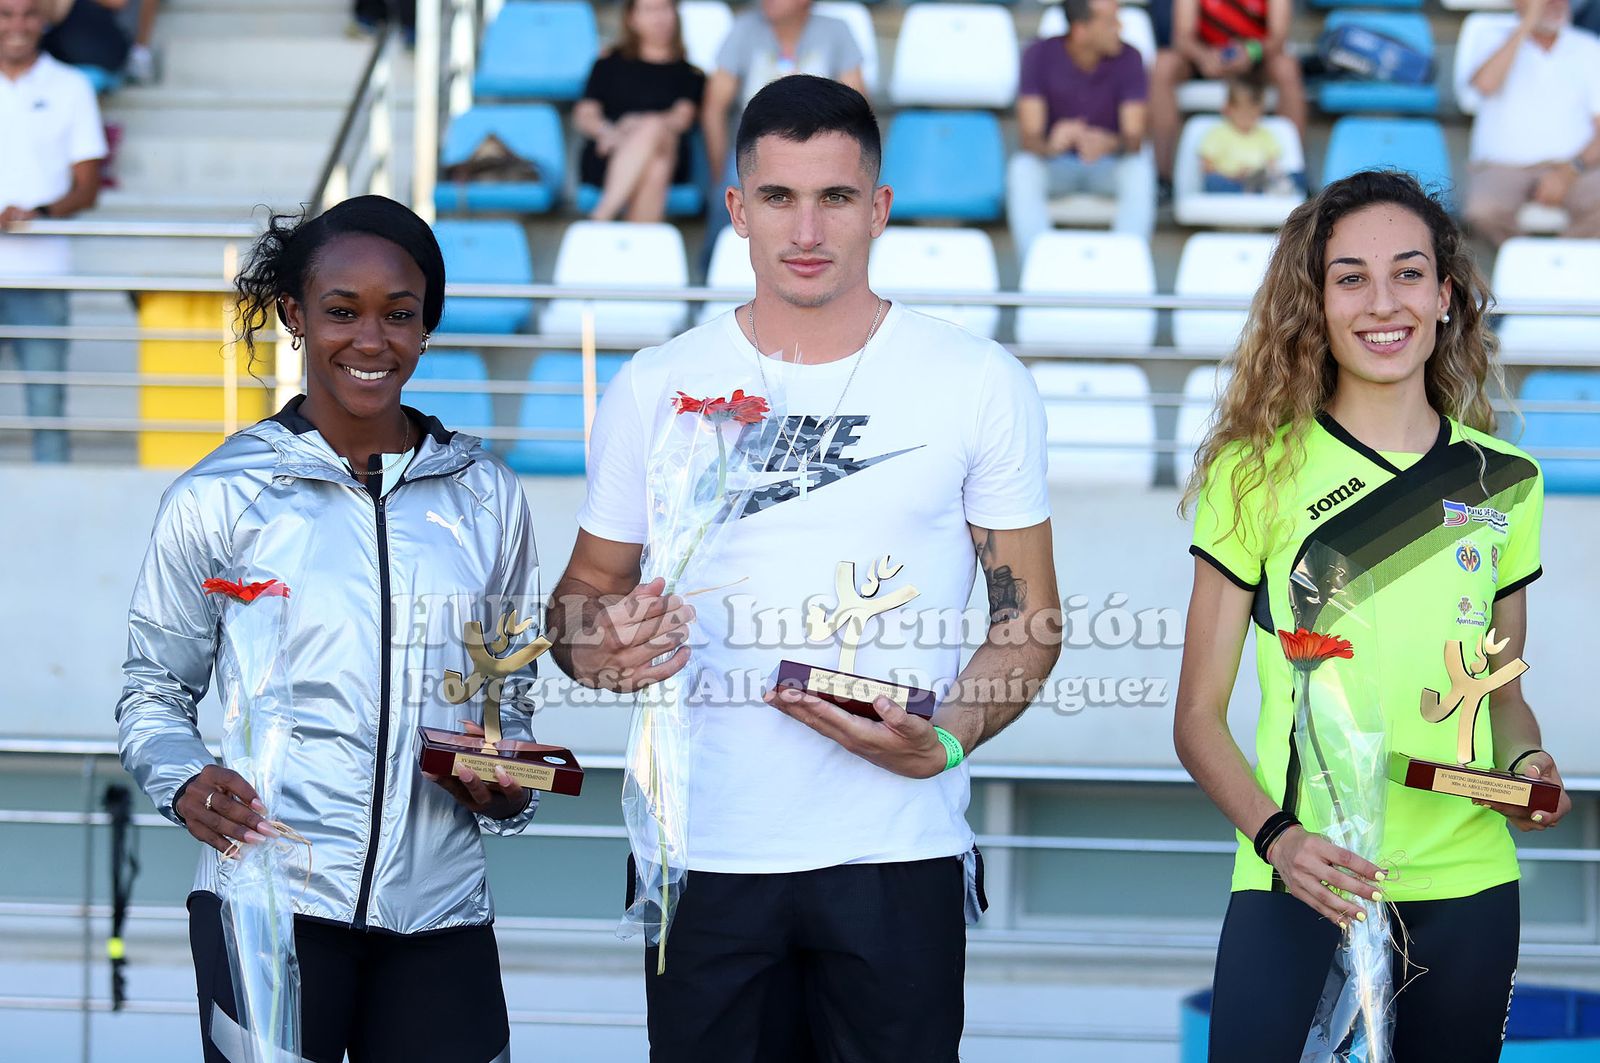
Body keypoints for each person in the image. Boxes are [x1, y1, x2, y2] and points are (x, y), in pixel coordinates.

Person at [547, 75, 1060, 1062]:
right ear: (737, 208)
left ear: (879, 207)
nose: (808, 229)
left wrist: (946, 738)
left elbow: (1028, 618)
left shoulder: (977, 382)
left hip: (897, 850)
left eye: (835, 197)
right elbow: (580, 599)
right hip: (703, 853)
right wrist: (598, 647)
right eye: (779, 197)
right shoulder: (656, 383)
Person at [117, 195, 544, 1063]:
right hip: (266, 899)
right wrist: (183, 776)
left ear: (427, 326)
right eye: (342, 311)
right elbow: (152, 690)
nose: (371, 340)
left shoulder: (488, 496)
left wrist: (509, 781)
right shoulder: (218, 495)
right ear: (295, 315)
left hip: (441, 910)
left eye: (400, 314)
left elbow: (506, 703)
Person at [1174, 170, 1572, 1062]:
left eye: (1408, 273)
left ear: (1445, 295)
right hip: (1301, 877)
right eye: (1350, 277)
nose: (1382, 302)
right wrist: (1280, 841)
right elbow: (1196, 716)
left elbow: (1502, 697)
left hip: (1468, 883)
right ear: (1316, 302)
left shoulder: (1507, 480)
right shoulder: (1254, 473)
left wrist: (1527, 767)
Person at [0, 0, 105, 463]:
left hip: (41, 273)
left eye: (27, 14)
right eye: (6, 14)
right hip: (38, 271)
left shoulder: (71, 86)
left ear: (42, 21)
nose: (17, 25)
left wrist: (39, 212)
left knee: (47, 408)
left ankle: (53, 505)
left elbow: (87, 186)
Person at [699, 0, 863, 258]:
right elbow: (714, 107)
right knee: (729, 191)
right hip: (755, 150)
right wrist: (719, 170)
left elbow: (856, 109)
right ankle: (714, 270)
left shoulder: (836, 31)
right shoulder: (744, 29)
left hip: (820, 153)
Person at [1007, 0, 1154, 254]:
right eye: (1110, 21)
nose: (1120, 27)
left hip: (1108, 165)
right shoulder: (1037, 55)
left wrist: (1108, 142)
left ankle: (1127, 264)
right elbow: (1029, 139)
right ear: (1080, 30)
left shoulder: (1131, 57)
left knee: (1139, 170)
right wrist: (1053, 144)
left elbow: (1134, 139)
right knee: (1022, 169)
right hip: (1056, 165)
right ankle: (1035, 266)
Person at [1458, 0, 1600, 246]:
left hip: (1573, 165)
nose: (1555, 4)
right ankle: (1523, 257)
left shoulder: (1588, 47)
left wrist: (1570, 171)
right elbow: (1485, 84)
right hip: (1502, 166)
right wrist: (1527, 25)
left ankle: (1560, 260)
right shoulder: (1489, 35)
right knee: (1483, 210)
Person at [1149, 0, 1305, 189]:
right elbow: (1182, 37)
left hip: (1257, 60)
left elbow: (1278, 38)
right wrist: (1203, 57)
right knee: (1163, 65)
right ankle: (1162, 180)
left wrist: (1251, 52)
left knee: (1287, 68)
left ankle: (1293, 174)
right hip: (1202, 57)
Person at [574, 0, 705, 223]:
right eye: (650, 10)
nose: (660, 18)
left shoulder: (690, 73)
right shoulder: (607, 64)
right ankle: (632, 240)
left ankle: (599, 218)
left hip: (669, 152)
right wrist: (610, 132)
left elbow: (681, 119)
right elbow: (585, 114)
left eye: (665, 8)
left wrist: (634, 123)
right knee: (656, 166)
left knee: (655, 129)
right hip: (610, 153)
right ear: (632, 18)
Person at [1199, 76, 1283, 192]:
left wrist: (1257, 174)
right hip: (1229, 182)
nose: (1248, 120)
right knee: (1212, 181)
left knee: (1295, 176)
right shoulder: (1217, 133)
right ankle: (1248, 189)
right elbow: (1206, 166)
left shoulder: (1265, 134)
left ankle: (1255, 187)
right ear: (1227, 109)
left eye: (1253, 116)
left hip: (1258, 181)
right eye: (1244, 114)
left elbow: (1273, 165)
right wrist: (1233, 176)